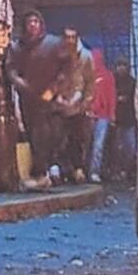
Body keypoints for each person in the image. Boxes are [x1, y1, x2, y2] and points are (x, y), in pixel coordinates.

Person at [8, 9, 66, 188]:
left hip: (51, 99)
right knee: (34, 135)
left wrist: (53, 90)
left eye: (36, 21)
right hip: (29, 98)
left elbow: (66, 70)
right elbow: (11, 70)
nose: (32, 25)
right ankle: (41, 172)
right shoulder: (18, 47)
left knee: (52, 135)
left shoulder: (54, 44)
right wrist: (21, 84)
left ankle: (51, 168)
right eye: (29, 22)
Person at [51, 27, 94, 184]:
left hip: (77, 106)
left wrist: (85, 103)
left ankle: (77, 169)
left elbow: (90, 82)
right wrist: (54, 98)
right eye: (66, 37)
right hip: (58, 105)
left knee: (77, 140)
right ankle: (56, 169)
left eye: (72, 37)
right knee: (56, 139)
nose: (69, 40)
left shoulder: (85, 56)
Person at [88, 47, 116, 184]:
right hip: (88, 114)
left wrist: (112, 114)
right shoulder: (87, 74)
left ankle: (94, 171)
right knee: (86, 143)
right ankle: (83, 170)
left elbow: (111, 96)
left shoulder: (108, 75)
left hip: (102, 115)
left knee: (98, 145)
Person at [112, 56, 138, 183]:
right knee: (117, 147)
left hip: (129, 118)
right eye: (119, 65)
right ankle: (118, 171)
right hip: (116, 119)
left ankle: (127, 170)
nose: (121, 68)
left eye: (123, 65)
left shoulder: (132, 82)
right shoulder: (113, 81)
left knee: (131, 147)